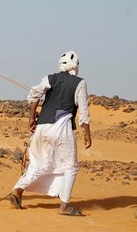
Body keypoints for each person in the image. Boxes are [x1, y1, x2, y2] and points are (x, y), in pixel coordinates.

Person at [8, 50, 92, 216]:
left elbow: (34, 95)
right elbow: (83, 111)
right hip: (62, 128)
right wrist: (87, 133)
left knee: (40, 162)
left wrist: (32, 118)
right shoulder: (80, 83)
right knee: (71, 167)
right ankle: (65, 207)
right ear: (75, 66)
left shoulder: (50, 78)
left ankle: (17, 190)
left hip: (42, 127)